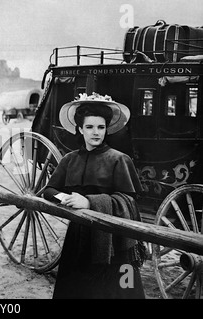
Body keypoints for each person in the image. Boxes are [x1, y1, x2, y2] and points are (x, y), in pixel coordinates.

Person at [44, 93, 147, 299]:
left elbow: (129, 202)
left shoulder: (119, 160)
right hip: (79, 236)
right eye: (89, 127)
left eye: (101, 127)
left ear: (106, 129)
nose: (96, 133)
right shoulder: (69, 160)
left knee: (119, 290)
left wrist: (90, 202)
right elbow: (49, 191)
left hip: (115, 239)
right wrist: (66, 199)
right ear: (80, 129)